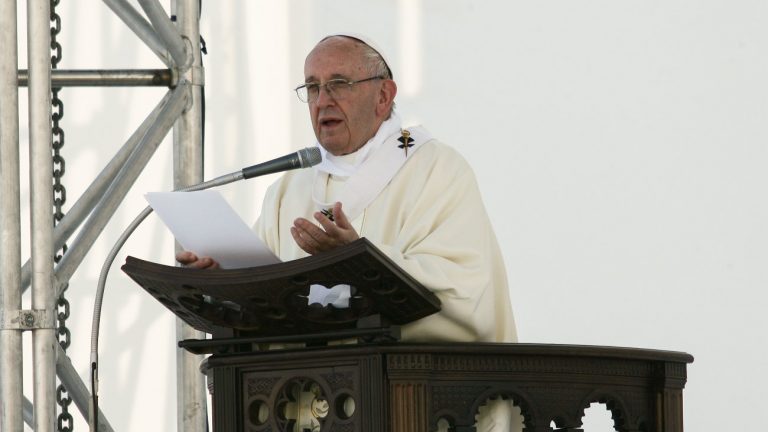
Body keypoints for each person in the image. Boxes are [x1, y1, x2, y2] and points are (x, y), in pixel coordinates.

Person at [177, 33, 520, 431]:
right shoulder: (289, 190)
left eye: (339, 83)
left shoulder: (435, 169)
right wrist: (222, 281)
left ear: (383, 95)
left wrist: (360, 258)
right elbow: (264, 294)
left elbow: (466, 291)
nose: (323, 99)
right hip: (298, 403)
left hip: (405, 403)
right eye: (312, 87)